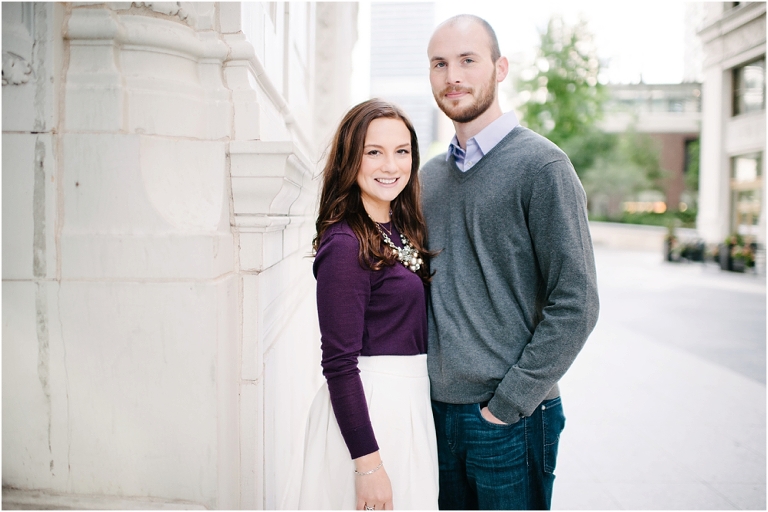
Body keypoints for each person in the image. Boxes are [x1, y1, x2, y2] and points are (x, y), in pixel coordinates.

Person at [420, 14, 600, 510]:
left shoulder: (542, 167)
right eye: (440, 64)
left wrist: (507, 405)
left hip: (510, 417)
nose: (452, 75)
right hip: (435, 413)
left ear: (499, 68)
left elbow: (577, 302)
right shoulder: (427, 180)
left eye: (467, 60)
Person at [298, 99, 439, 510]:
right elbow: (339, 363)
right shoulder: (345, 244)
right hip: (373, 415)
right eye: (373, 152)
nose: (390, 166)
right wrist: (368, 466)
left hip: (406, 405)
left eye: (402, 151)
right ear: (350, 159)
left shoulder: (397, 226)